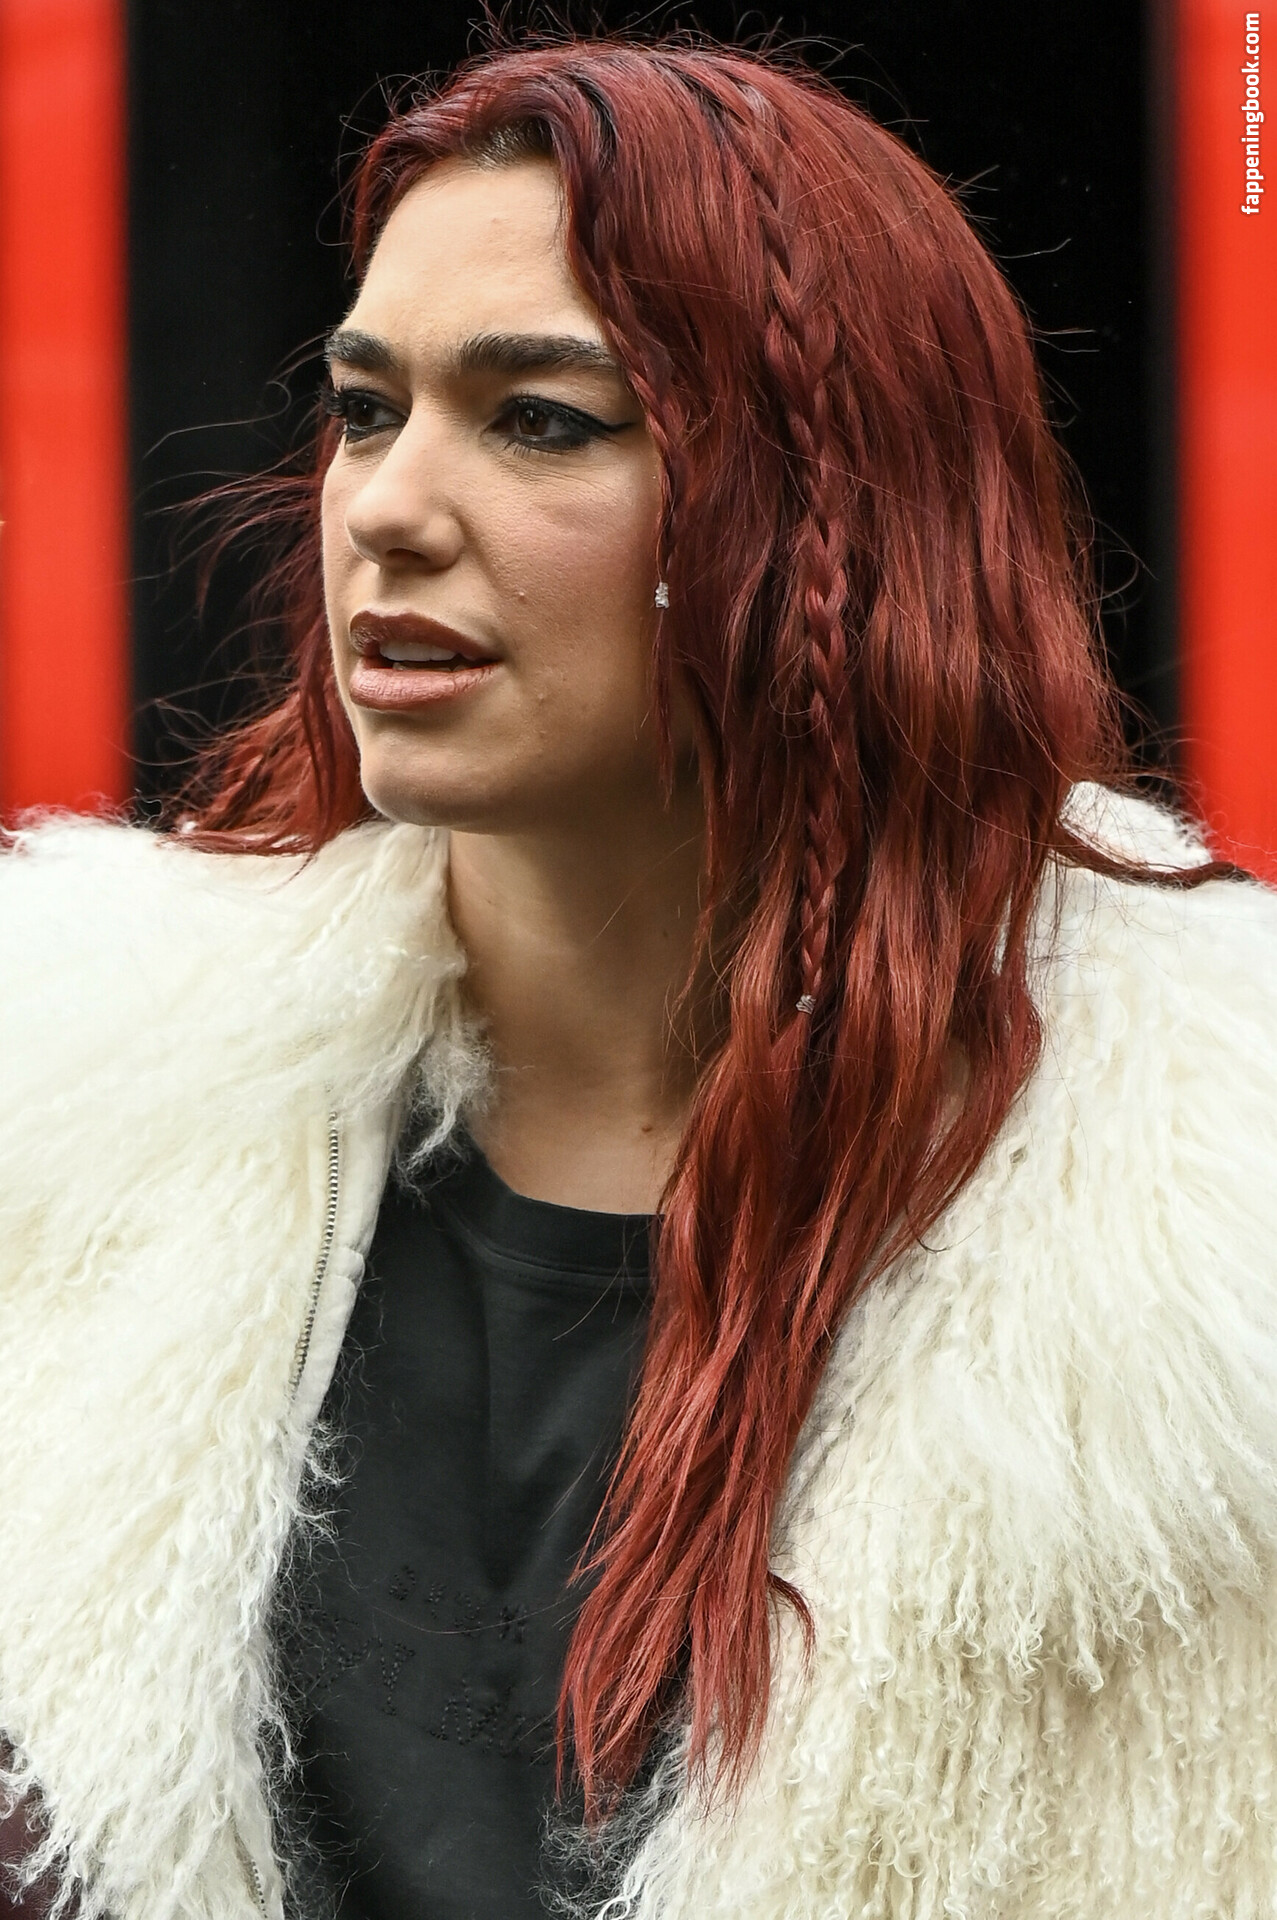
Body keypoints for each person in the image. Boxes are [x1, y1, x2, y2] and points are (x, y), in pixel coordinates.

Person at [3, 32, 1276, 1920]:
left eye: (539, 420)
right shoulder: (78, 1129)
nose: (386, 507)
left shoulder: (1204, 1263)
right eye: (365, 409)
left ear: (831, 512)